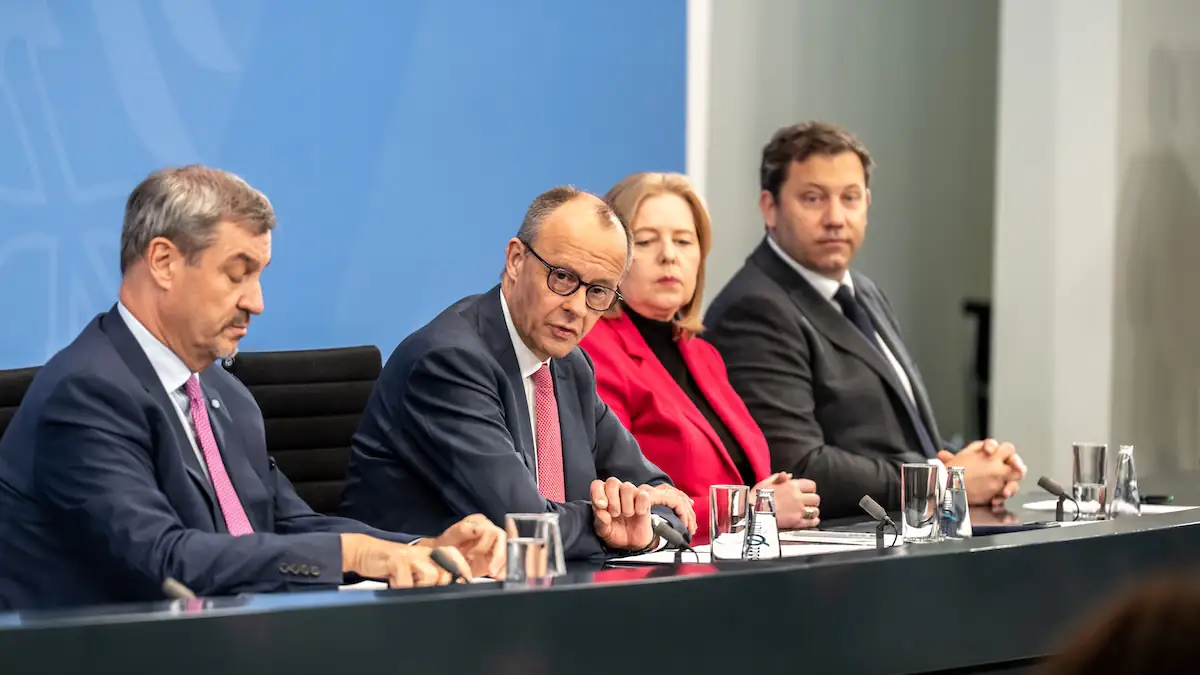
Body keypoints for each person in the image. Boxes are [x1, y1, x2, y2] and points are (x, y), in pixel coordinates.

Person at [0, 166, 505, 612]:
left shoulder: (223, 392)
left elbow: (284, 523)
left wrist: (420, 547)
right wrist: (355, 553)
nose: (256, 302)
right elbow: (165, 561)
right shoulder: (88, 394)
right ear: (163, 262)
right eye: (237, 274)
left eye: (259, 276)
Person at [341, 186, 696, 559]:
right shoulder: (448, 362)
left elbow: (660, 495)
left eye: (598, 292)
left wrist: (645, 523)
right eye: (561, 277)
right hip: (423, 600)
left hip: (537, 598)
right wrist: (619, 529)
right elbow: (526, 529)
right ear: (515, 260)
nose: (577, 307)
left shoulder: (571, 366)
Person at [704, 122, 1027, 518]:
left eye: (851, 198)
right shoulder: (755, 309)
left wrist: (978, 468)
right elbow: (799, 468)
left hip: (904, 535)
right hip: (836, 561)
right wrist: (942, 479)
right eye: (813, 198)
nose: (835, 217)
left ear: (868, 204)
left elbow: (901, 438)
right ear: (770, 208)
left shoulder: (864, 290)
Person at [580, 172, 821, 537]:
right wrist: (752, 509)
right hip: (660, 571)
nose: (669, 256)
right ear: (611, 255)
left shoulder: (703, 354)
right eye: (645, 241)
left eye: (683, 241)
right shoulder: (592, 349)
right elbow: (617, 501)